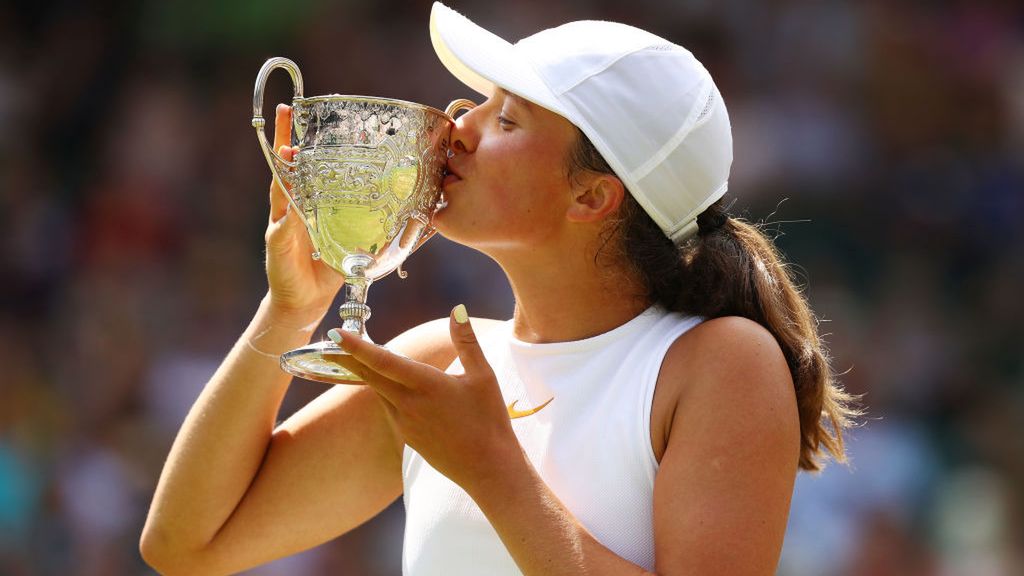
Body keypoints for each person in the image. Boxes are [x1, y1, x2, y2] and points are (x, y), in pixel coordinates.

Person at [140, 3, 859, 575]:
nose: (458, 125)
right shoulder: (437, 362)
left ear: (592, 197)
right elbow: (185, 546)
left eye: (506, 118)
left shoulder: (721, 364)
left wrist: (491, 467)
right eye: (476, 103)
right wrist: (292, 306)